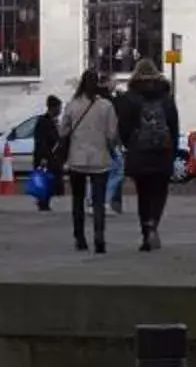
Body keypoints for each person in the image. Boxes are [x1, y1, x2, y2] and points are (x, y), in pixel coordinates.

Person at [119, 59, 182, 252]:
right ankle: (154, 222)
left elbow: (124, 127)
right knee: (160, 191)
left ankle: (146, 229)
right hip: (162, 152)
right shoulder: (166, 97)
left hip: (139, 152)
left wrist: (129, 144)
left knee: (143, 193)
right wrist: (173, 150)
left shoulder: (130, 97)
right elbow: (173, 125)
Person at [60, 71, 118, 252]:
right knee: (98, 202)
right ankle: (99, 237)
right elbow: (111, 135)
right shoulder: (106, 106)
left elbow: (63, 132)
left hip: (77, 159)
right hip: (100, 159)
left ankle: (80, 238)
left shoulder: (72, 105)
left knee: (77, 200)